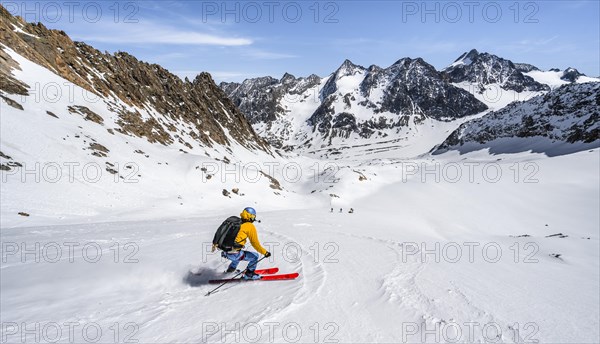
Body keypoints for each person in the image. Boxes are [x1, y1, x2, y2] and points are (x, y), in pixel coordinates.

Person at [221, 207, 271, 280]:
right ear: (250, 216)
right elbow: (255, 244)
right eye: (253, 216)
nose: (254, 219)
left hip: (225, 252)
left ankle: (231, 270)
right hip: (235, 254)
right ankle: (249, 274)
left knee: (239, 253)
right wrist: (265, 252)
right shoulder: (250, 226)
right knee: (255, 256)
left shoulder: (236, 222)